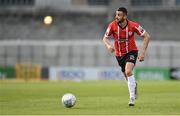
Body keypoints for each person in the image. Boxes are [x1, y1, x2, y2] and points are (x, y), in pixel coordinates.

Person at [102, 7, 150, 106]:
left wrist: (142, 53)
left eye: (119, 15)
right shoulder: (112, 25)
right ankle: (134, 85)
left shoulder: (133, 26)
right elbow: (104, 38)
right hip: (119, 54)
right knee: (126, 75)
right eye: (116, 15)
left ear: (125, 16)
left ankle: (132, 98)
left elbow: (147, 36)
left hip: (131, 52)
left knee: (128, 71)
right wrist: (108, 46)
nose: (117, 17)